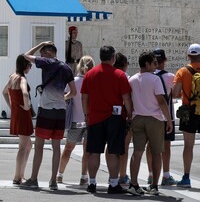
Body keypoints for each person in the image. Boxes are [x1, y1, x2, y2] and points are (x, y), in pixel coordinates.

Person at [22, 42, 76, 191]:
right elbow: (73, 92)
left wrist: (41, 44)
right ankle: (53, 180)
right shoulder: (66, 68)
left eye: (42, 52)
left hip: (46, 110)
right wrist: (62, 98)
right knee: (56, 147)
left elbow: (25, 56)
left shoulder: (46, 62)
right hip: (60, 111)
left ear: (49, 53)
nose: (40, 56)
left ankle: (34, 179)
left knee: (39, 146)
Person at [81, 45, 133, 195]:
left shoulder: (90, 74)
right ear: (113, 57)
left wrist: (86, 114)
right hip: (115, 119)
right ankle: (113, 183)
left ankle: (92, 182)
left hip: (95, 117)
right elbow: (126, 97)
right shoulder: (120, 75)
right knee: (113, 152)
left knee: (93, 152)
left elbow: (84, 97)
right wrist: (130, 114)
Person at [127, 51, 173, 196]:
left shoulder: (132, 79)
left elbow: (128, 99)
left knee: (137, 152)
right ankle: (154, 186)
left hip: (138, 117)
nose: (156, 65)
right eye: (154, 62)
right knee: (157, 152)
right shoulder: (155, 80)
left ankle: (133, 184)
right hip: (154, 119)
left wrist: (130, 116)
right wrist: (169, 119)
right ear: (147, 64)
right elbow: (161, 101)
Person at [57, 55, 95, 186]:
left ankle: (60, 174)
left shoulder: (73, 81)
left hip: (75, 119)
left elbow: (65, 96)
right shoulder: (93, 81)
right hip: (90, 120)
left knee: (68, 148)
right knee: (87, 151)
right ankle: (84, 176)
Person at [145, 48, 177, 186]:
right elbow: (175, 94)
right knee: (166, 145)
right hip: (166, 115)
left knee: (150, 146)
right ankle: (166, 174)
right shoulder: (170, 77)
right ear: (164, 61)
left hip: (152, 114)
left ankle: (151, 174)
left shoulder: (147, 77)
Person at [171, 43, 200, 188]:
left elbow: (175, 93)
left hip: (188, 112)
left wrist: (185, 94)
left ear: (189, 56)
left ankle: (187, 177)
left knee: (188, 146)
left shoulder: (182, 71)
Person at [2, 54, 34, 185]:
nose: (30, 68)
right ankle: (17, 176)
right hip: (22, 114)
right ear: (25, 65)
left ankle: (21, 174)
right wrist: (27, 107)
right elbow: (25, 93)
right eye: (30, 65)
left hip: (17, 113)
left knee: (28, 145)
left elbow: (4, 92)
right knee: (23, 146)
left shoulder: (12, 77)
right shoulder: (21, 79)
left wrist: (11, 106)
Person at [113, 53, 133, 187]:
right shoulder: (125, 77)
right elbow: (128, 98)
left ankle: (112, 175)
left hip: (110, 115)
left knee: (111, 147)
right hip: (123, 115)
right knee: (124, 147)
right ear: (125, 65)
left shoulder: (110, 75)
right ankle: (122, 175)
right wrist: (130, 114)